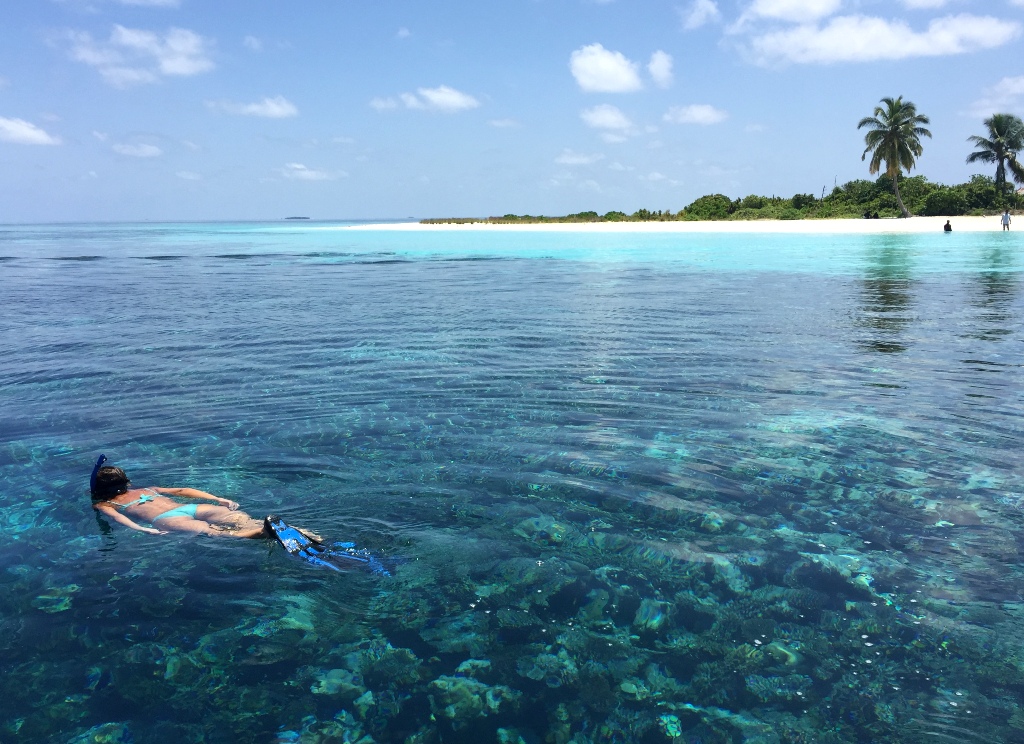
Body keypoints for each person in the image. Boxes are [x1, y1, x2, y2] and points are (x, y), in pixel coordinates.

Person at [90, 456, 267, 538]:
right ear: (126, 482)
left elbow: (118, 517)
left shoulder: (105, 504)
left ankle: (260, 533)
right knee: (239, 519)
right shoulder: (149, 489)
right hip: (189, 508)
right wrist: (218, 499)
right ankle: (271, 528)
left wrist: (142, 529)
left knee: (211, 531)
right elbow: (183, 490)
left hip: (166, 519)